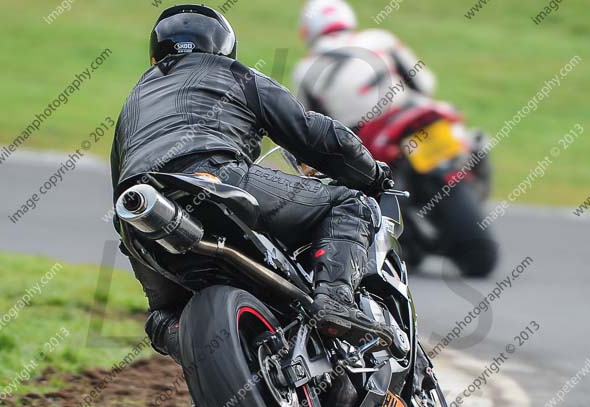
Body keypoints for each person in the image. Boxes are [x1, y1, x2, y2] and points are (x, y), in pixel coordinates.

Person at [110, 4, 394, 361]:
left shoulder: (131, 104)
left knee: (163, 318)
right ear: (223, 46)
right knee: (347, 204)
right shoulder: (232, 73)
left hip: (140, 213)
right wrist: (373, 175)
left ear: (156, 52)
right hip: (212, 176)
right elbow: (315, 135)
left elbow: (120, 188)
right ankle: (335, 303)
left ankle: (205, 355)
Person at [292, 0, 438, 131]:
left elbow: (307, 129)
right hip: (411, 117)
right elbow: (425, 84)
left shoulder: (304, 68)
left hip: (362, 144)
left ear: (306, 30)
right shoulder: (379, 38)